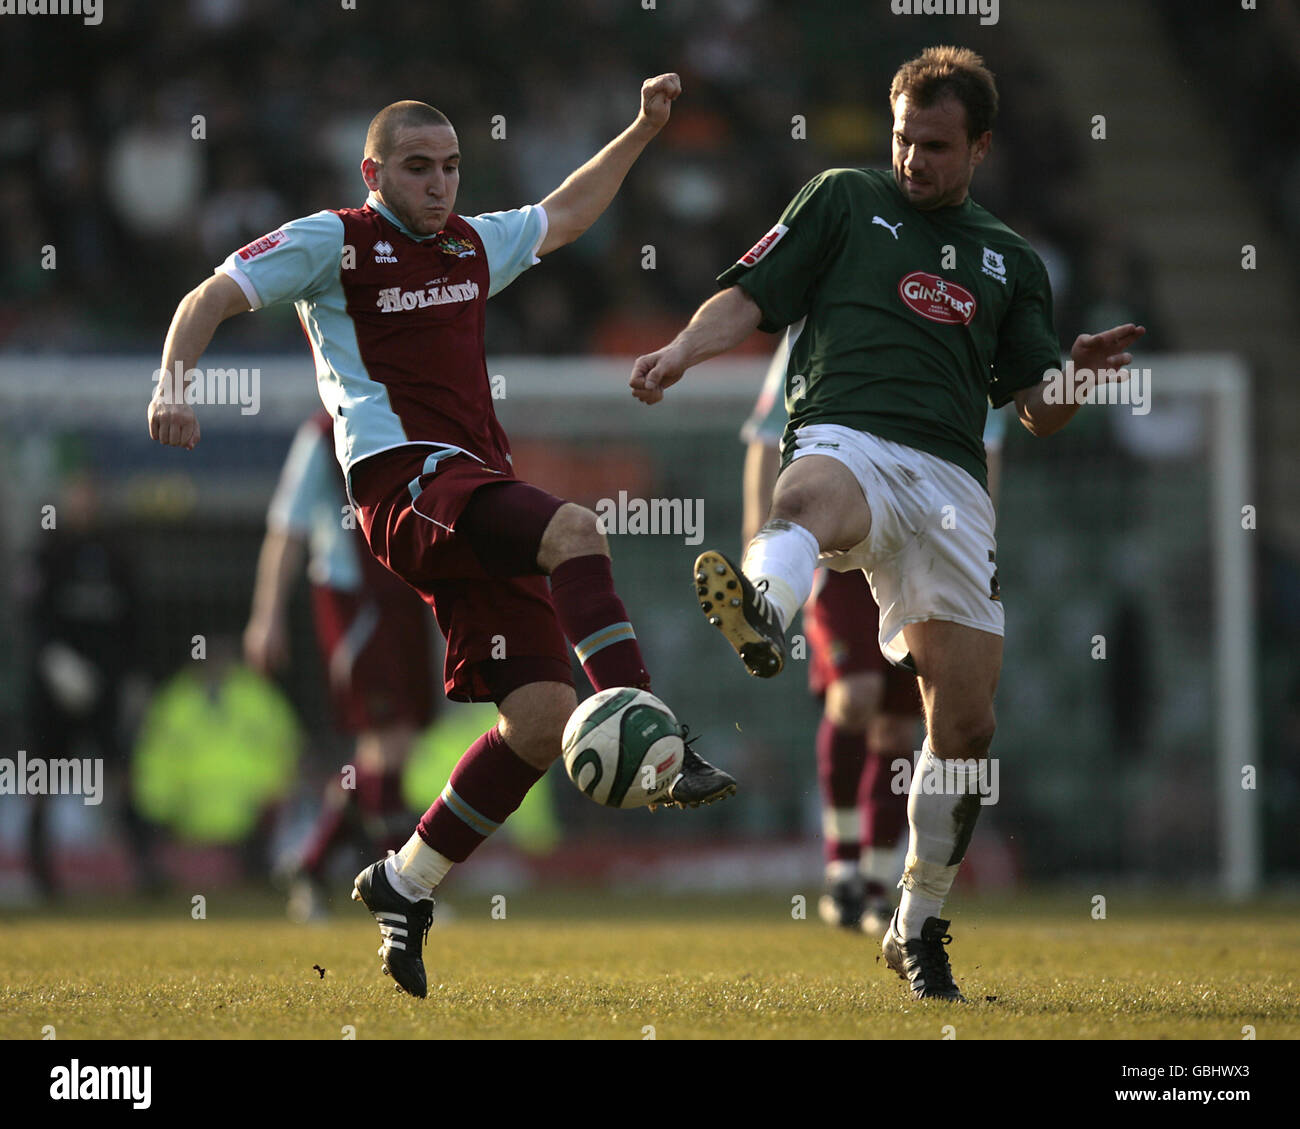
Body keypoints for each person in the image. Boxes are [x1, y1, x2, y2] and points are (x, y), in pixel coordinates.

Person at [148, 73, 735, 999]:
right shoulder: (334, 240)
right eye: (418, 168)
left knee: (540, 724)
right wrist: (172, 379)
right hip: (403, 484)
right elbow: (211, 293)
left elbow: (564, 214)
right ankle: (656, 732)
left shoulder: (469, 244)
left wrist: (638, 130)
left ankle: (403, 880)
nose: (440, 184)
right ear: (373, 170)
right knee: (577, 527)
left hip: (471, 491)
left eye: (452, 167)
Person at [631, 46, 1144, 1001]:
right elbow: (749, 296)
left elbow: (1037, 406)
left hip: (952, 479)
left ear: (980, 146)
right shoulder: (840, 199)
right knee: (802, 502)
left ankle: (916, 919)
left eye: (938, 147)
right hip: (847, 432)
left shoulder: (1011, 260)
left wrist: (1075, 372)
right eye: (905, 138)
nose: (914, 159)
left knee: (969, 723)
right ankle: (765, 611)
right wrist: (680, 350)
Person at [743, 337, 1007, 938]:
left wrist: (979, 550)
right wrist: (758, 542)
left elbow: (989, 457)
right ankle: (840, 866)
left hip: (928, 550)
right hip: (847, 541)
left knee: (897, 726)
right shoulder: (831, 326)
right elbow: (764, 436)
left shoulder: (968, 339)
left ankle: (878, 885)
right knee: (854, 697)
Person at [245, 409, 437, 922]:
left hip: (404, 597)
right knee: (387, 742)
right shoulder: (322, 434)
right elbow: (286, 528)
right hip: (351, 599)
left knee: (384, 748)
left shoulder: (414, 418)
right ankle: (407, 885)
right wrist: (267, 616)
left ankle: (310, 863)